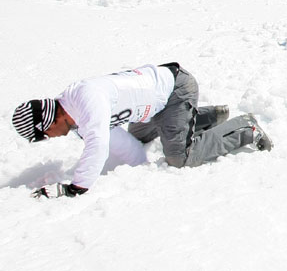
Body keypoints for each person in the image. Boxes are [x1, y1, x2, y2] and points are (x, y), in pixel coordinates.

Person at [10, 63, 272, 198]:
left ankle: (244, 128)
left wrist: (76, 188)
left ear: (48, 122)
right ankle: (208, 116)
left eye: (42, 136)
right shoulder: (76, 116)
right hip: (153, 107)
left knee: (180, 158)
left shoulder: (85, 101)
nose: (48, 140)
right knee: (141, 137)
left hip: (175, 92)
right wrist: (141, 164)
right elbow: (120, 143)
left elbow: (98, 145)